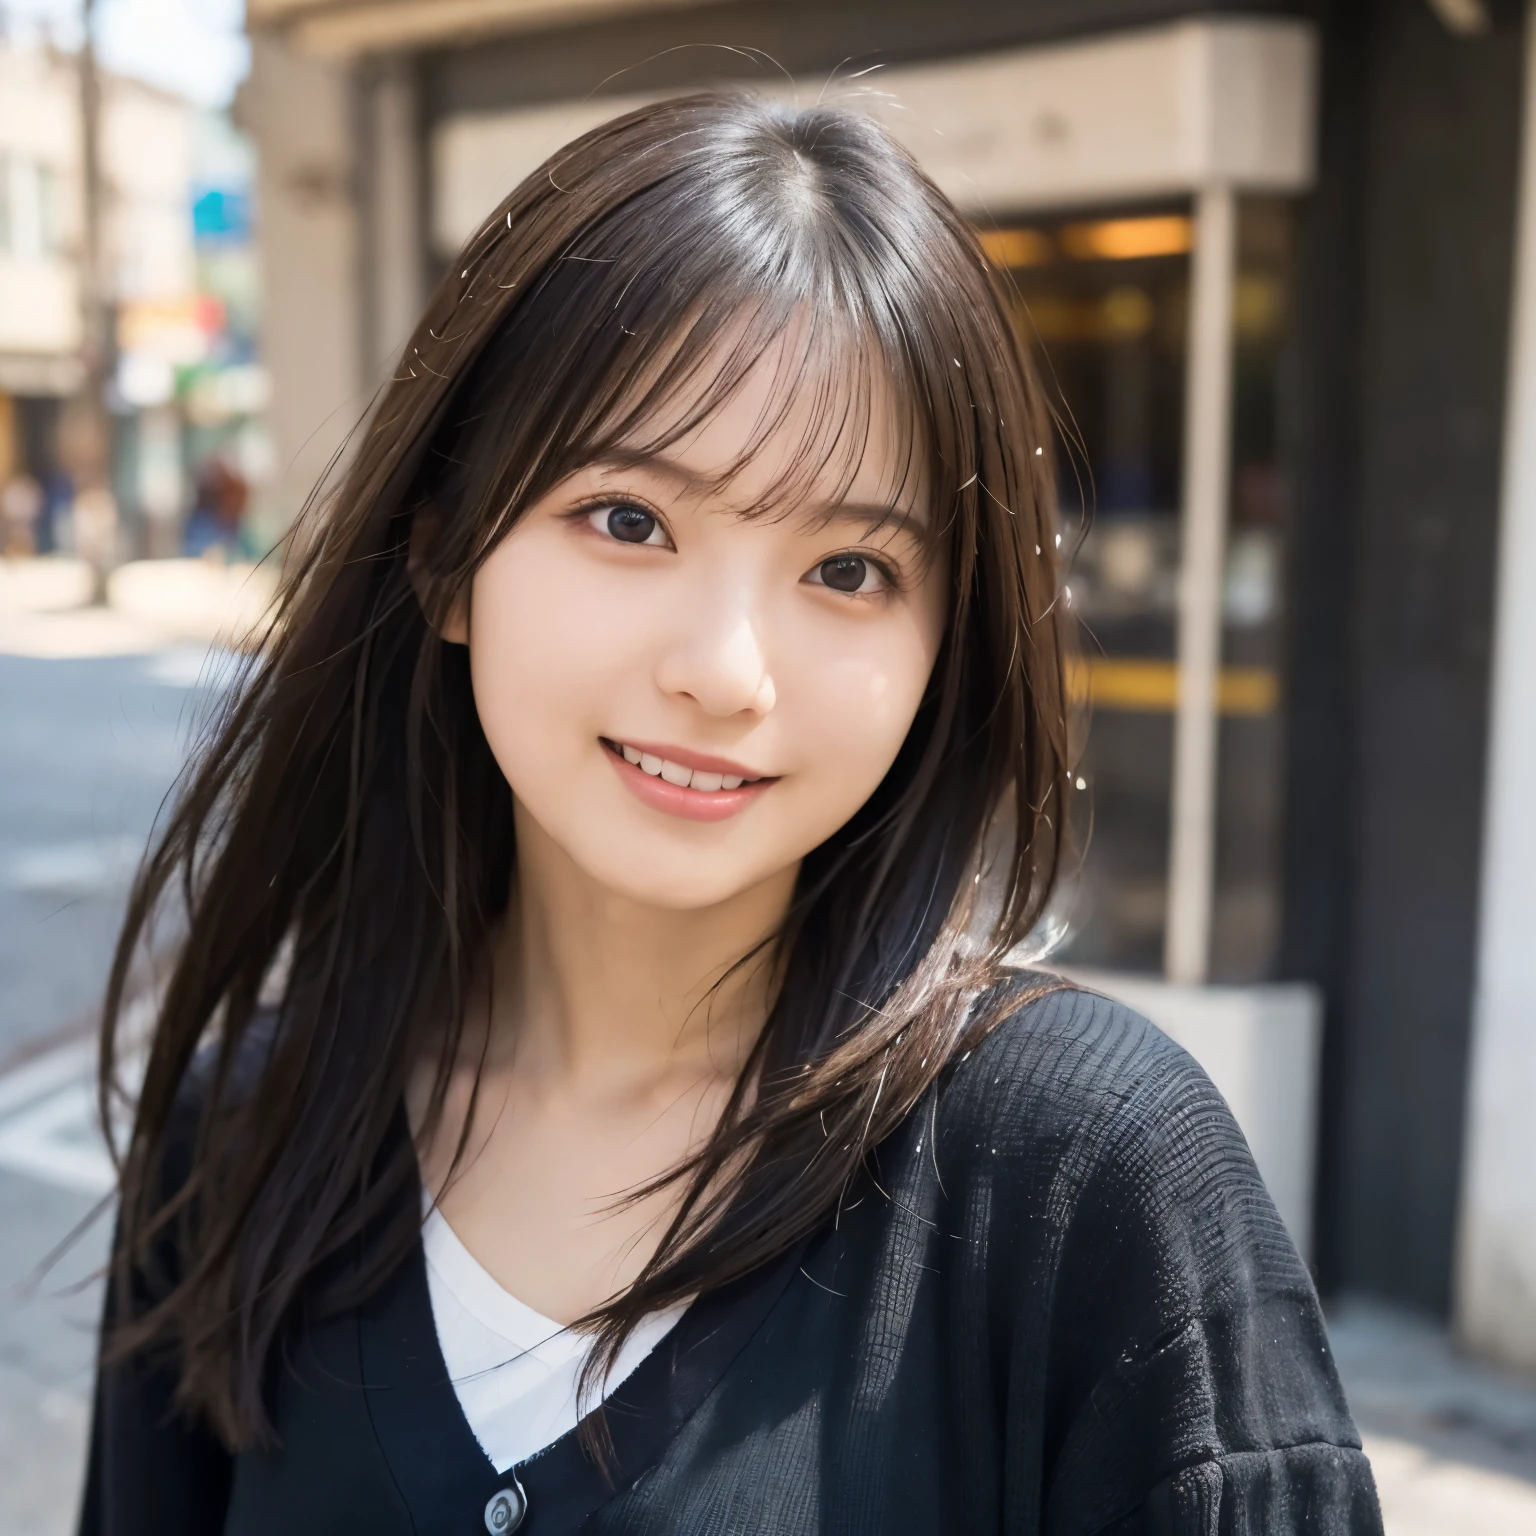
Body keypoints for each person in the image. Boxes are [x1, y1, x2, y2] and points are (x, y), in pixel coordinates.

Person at [78, 94, 1382, 1534]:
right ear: (445, 560)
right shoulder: (253, 1133)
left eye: (849, 569)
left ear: (946, 644)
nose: (724, 673)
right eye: (630, 520)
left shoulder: (1083, 1180)